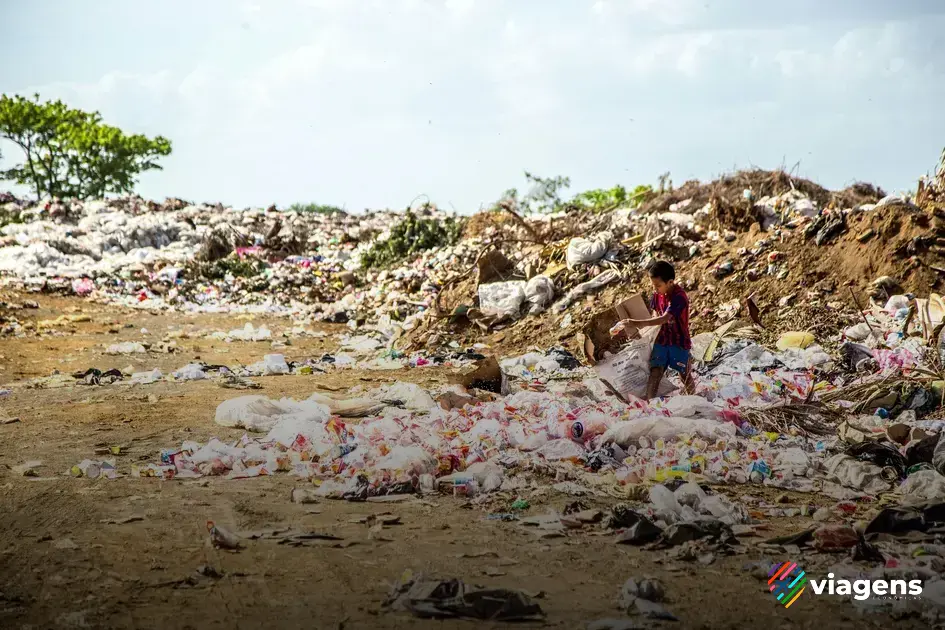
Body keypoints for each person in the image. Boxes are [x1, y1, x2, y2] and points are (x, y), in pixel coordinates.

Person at [614, 260, 695, 399]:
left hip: (678, 340)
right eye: (653, 285)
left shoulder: (679, 297)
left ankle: (695, 399)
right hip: (662, 339)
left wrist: (635, 323)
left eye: (658, 285)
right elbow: (655, 315)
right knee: (655, 371)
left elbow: (664, 318)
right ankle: (651, 405)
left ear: (670, 282)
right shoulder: (657, 295)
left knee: (684, 374)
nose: (655, 289)